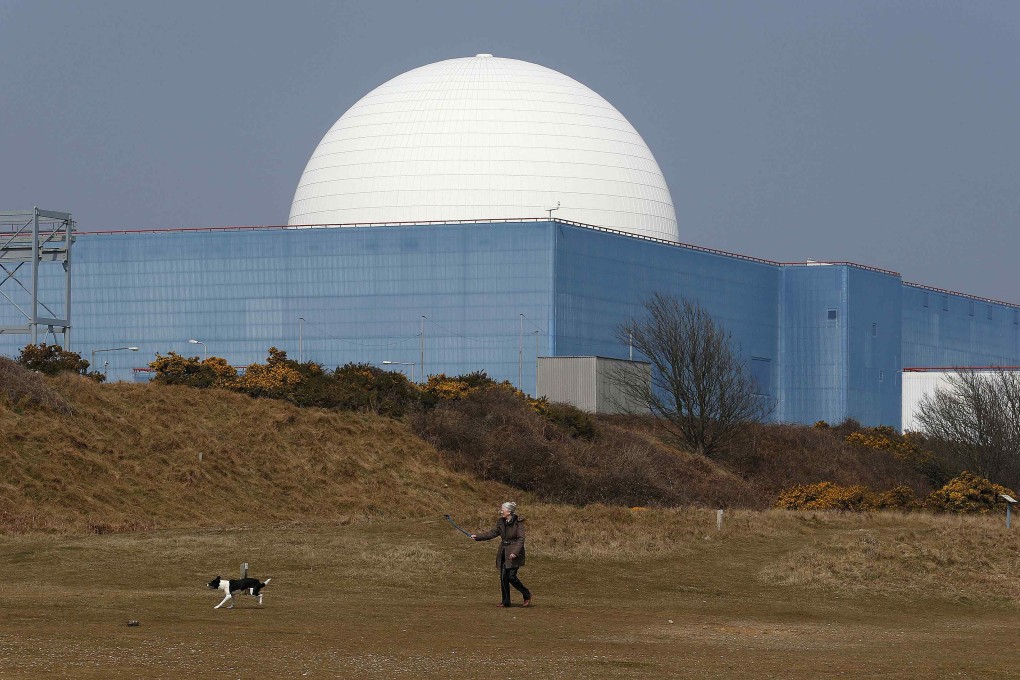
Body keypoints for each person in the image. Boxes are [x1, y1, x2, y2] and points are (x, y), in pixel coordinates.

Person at [471, 501, 532, 608]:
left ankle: (526, 594)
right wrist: (478, 537)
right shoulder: (501, 522)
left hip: (514, 553)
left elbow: (521, 539)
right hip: (503, 552)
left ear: (509, 511)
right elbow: (492, 533)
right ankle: (506, 601)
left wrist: (515, 552)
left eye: (502, 509)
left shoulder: (518, 523)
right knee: (503, 577)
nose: (501, 511)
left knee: (511, 577)